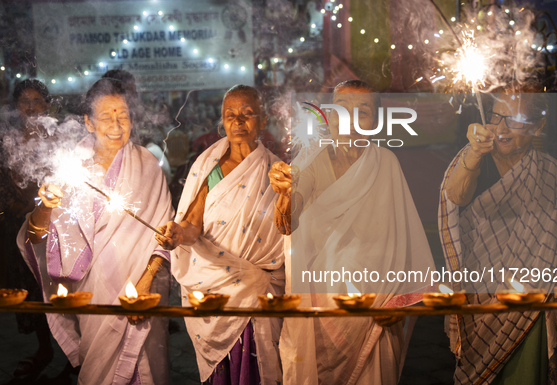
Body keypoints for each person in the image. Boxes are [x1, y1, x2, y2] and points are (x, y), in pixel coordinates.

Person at [268, 80, 435, 384]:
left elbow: (405, 238)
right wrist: (284, 195)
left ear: (376, 121)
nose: (351, 121)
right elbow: (286, 224)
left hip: (377, 307)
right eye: (342, 109)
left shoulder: (386, 162)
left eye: (364, 112)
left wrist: (398, 302)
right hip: (324, 304)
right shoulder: (309, 162)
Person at [17, 77, 173, 384]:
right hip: (94, 295)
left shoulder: (147, 165)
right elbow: (35, 237)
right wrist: (46, 205)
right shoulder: (70, 169)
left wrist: (145, 283)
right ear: (88, 122)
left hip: (143, 291)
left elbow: (163, 236)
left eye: (123, 116)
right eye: (105, 117)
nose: (116, 125)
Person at [438, 82, 557, 384]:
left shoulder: (554, 173)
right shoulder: (474, 160)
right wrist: (473, 155)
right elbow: (455, 196)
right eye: (495, 117)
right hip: (479, 296)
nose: (501, 129)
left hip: (533, 301)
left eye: (515, 120)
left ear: (538, 126)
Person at [156, 85, 284, 385]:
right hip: (217, 284)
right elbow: (192, 225)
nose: (238, 121)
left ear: (263, 121)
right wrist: (176, 233)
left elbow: (288, 229)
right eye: (230, 115)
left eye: (247, 114)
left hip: (262, 286)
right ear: (222, 122)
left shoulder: (277, 170)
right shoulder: (209, 167)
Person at [0, 79, 55, 377]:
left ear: (46, 105)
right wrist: (15, 208)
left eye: (37, 101)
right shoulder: (7, 141)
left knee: (56, 286)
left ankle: (76, 354)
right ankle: (44, 349)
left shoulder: (57, 139)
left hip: (52, 224)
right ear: (17, 107)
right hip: (15, 222)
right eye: (25, 102)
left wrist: (42, 208)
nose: (32, 107)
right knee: (30, 290)